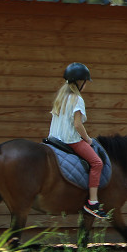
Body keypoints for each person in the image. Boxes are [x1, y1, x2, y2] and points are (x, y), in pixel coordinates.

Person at [49, 62, 108, 219]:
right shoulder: (77, 99)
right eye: (85, 82)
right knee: (97, 163)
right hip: (70, 140)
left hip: (53, 138)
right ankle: (93, 202)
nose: (85, 85)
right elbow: (77, 124)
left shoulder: (61, 97)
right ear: (79, 82)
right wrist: (87, 139)